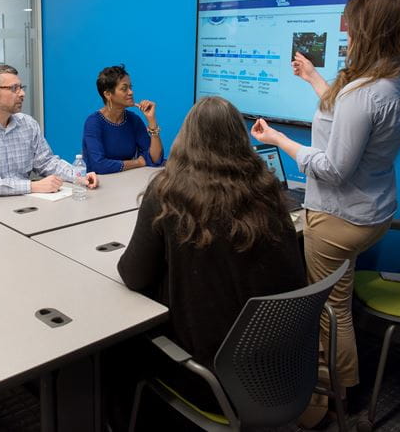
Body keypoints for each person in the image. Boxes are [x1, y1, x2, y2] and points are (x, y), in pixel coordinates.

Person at [250, 0, 400, 424]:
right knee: (338, 304)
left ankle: (333, 400)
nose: (346, 30)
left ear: (372, 31)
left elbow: (332, 168)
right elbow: (349, 123)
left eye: (352, 24)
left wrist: (279, 141)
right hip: (374, 210)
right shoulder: (398, 85)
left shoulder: (362, 94)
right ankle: (342, 392)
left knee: (330, 311)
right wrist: (312, 78)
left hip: (338, 216)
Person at [115, 96, 305, 421]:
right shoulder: (267, 189)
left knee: (119, 345)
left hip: (210, 380)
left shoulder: (168, 194)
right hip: (282, 368)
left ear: (187, 138)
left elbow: (133, 275)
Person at [0, 64, 99, 199]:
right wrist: (33, 186)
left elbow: (46, 162)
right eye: (14, 89)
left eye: (21, 87)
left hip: (23, 202)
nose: (22, 93)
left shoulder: (27, 124)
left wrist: (78, 176)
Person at [82, 64, 164, 174]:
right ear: (107, 94)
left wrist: (152, 121)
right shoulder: (93, 123)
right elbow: (99, 165)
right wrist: (137, 163)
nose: (131, 92)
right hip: (100, 185)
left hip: (127, 181)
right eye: (124, 89)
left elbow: (155, 159)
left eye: (130, 87)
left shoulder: (133, 120)